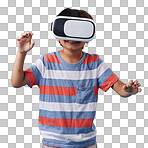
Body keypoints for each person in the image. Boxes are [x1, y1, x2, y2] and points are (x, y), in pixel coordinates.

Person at [11, 8, 142, 148]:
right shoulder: (46, 63)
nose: (72, 37)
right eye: (67, 30)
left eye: (79, 31)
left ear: (87, 38)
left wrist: (129, 90)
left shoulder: (95, 64)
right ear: (57, 34)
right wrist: (21, 53)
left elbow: (120, 88)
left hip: (86, 143)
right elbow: (17, 82)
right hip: (52, 143)